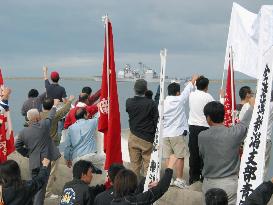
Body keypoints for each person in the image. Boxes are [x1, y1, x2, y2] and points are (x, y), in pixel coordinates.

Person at [199, 100, 254, 205]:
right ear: (223, 116)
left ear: (208, 118)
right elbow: (245, 123)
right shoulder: (233, 133)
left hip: (209, 183)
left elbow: (202, 154)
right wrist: (252, 107)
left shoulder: (202, 136)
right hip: (229, 184)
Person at [15, 102, 61, 205]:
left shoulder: (23, 132)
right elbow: (51, 117)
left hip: (33, 163)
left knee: (34, 186)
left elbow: (17, 146)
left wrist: (28, 154)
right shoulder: (44, 125)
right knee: (41, 188)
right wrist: (54, 106)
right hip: (44, 163)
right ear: (36, 118)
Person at [162, 75, 198, 189]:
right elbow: (188, 88)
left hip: (165, 134)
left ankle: (169, 180)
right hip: (177, 133)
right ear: (178, 92)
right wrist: (194, 79)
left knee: (168, 156)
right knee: (180, 156)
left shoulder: (163, 102)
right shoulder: (180, 99)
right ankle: (179, 179)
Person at [40, 96, 75, 199]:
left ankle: (39, 190)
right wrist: (69, 101)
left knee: (40, 169)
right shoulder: (54, 116)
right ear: (51, 106)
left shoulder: (38, 116)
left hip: (40, 147)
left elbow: (27, 123)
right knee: (51, 171)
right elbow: (64, 111)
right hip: (52, 147)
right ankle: (47, 193)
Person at [111, 154, 177, 204]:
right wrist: (170, 167)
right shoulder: (130, 201)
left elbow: (136, 194)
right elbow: (160, 189)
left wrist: (145, 182)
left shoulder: (115, 200)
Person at [126, 79, 159, 178]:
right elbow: (155, 119)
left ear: (134, 89)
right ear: (146, 90)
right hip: (147, 138)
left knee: (134, 165)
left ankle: (133, 188)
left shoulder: (129, 102)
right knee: (148, 165)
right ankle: (146, 188)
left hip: (133, 136)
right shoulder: (151, 104)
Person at [188, 75, 214, 185]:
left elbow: (189, 87)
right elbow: (215, 108)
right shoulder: (208, 97)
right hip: (205, 127)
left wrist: (193, 81)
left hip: (193, 127)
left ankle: (193, 178)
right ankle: (204, 177)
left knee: (194, 153)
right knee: (205, 154)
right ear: (206, 86)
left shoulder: (191, 95)